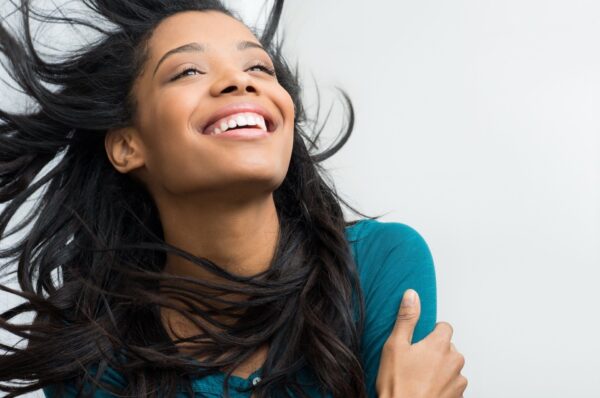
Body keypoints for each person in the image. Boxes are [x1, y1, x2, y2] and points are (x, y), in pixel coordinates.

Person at [0, 1, 467, 397]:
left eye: (258, 67)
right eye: (188, 71)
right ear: (128, 146)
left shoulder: (379, 266)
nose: (239, 82)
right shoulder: (90, 348)